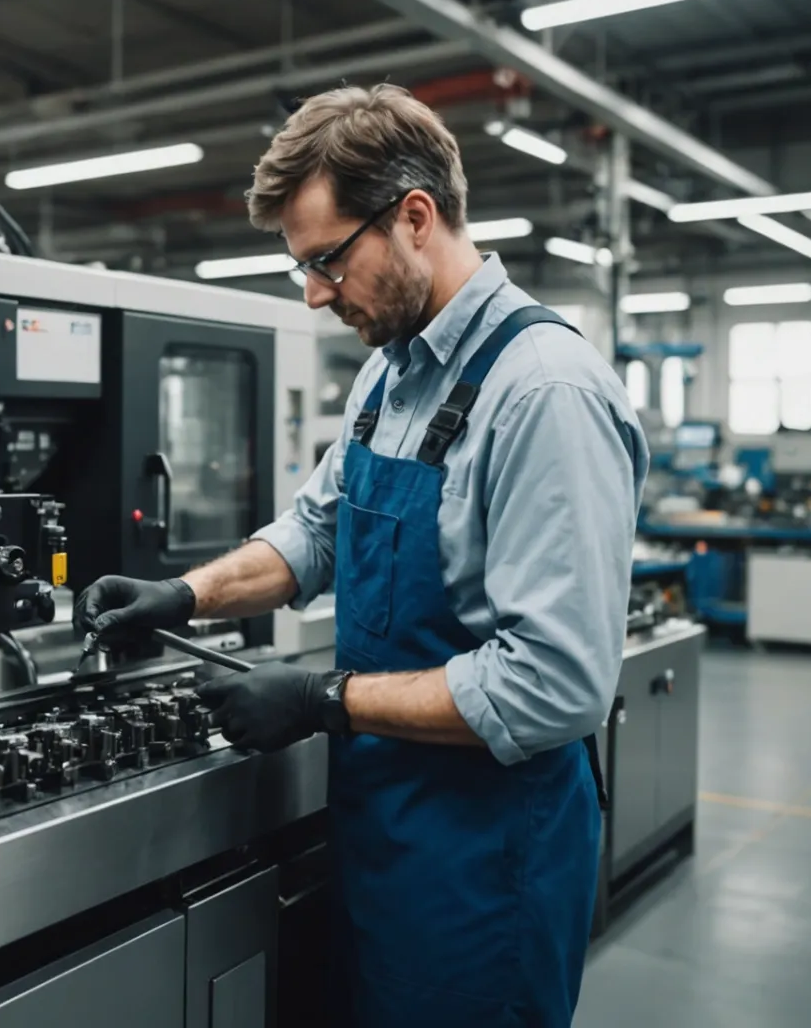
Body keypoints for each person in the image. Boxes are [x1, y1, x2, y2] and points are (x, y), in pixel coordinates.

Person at [76, 84, 647, 1027]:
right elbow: (322, 529)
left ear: (414, 218)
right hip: (387, 820)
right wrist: (184, 594)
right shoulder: (392, 371)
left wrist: (320, 698)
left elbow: (555, 683)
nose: (312, 292)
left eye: (327, 260)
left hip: (488, 859)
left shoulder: (544, 394)